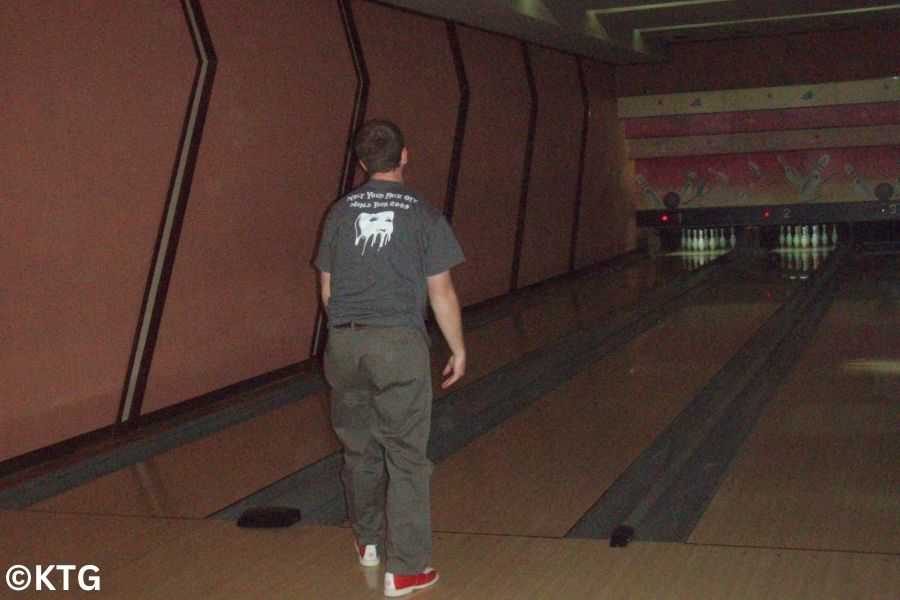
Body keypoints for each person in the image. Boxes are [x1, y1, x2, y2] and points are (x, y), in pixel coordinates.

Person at [314, 119, 466, 597]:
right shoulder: (423, 214)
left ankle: (368, 542)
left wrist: (348, 334)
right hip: (398, 344)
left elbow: (327, 289)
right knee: (405, 457)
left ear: (361, 162)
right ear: (404, 155)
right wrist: (457, 348)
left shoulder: (338, 213)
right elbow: (441, 291)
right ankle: (408, 569)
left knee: (358, 448)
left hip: (344, 343)